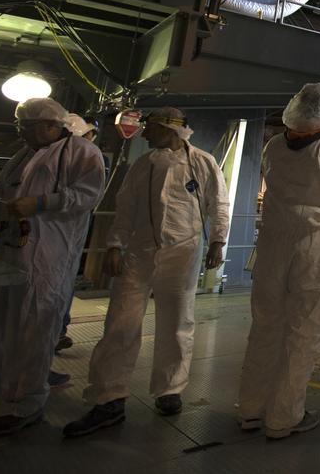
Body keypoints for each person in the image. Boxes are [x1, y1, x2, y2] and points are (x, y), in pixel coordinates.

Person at [0, 97, 106, 439]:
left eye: (27, 128)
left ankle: (27, 404)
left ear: (51, 125)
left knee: (35, 327)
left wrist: (43, 203)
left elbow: (88, 196)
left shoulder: (80, 152)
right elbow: (3, 198)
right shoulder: (23, 156)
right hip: (9, 252)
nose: (22, 135)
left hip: (48, 254)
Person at [64, 107, 229, 436]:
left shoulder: (203, 162)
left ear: (169, 129)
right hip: (140, 253)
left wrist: (218, 242)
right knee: (120, 322)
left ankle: (170, 389)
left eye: (149, 127)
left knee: (177, 323)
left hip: (183, 254)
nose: (144, 133)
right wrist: (114, 244)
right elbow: (126, 206)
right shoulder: (144, 165)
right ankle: (109, 397)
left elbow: (219, 203)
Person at [236, 83, 320, 440]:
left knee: (264, 327)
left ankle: (250, 409)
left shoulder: (274, 147)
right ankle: (283, 418)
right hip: (314, 246)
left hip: (272, 246)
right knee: (303, 332)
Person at [55, 114, 103, 356]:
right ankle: (51, 341)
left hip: (53, 236)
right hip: (61, 237)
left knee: (54, 290)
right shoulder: (86, 153)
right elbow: (88, 195)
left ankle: (52, 338)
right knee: (56, 290)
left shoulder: (44, 153)